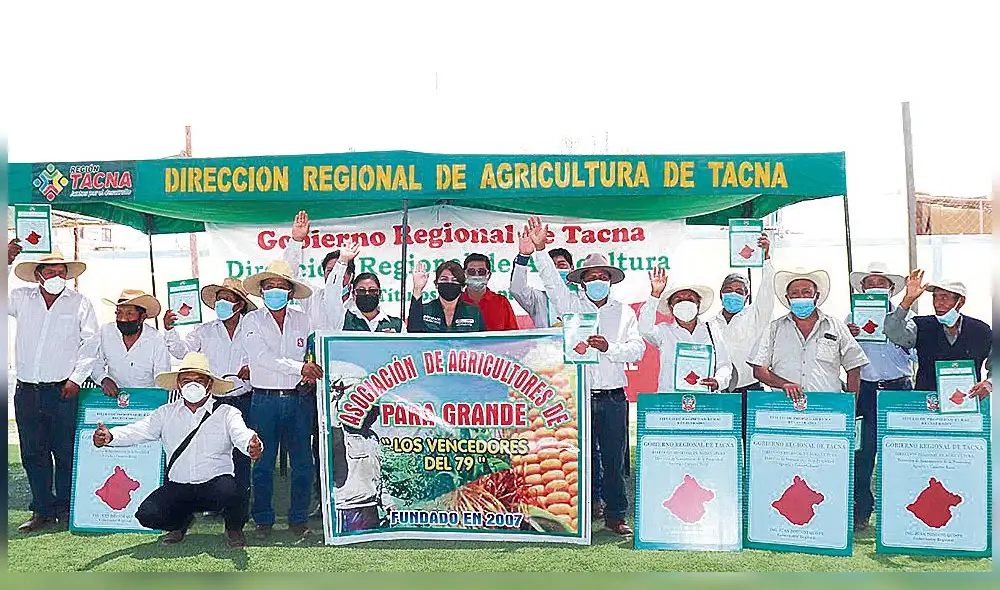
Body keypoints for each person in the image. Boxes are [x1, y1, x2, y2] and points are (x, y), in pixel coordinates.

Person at [525, 216, 644, 536]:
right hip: (578, 395)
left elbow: (638, 350)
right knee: (584, 458)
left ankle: (617, 514)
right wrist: (539, 250)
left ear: (610, 280)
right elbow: (551, 281)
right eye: (591, 277)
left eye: (602, 276)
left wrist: (610, 348)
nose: (597, 281)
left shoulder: (624, 311)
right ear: (581, 281)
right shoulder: (572, 304)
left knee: (615, 458)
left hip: (614, 396)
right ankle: (590, 508)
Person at [92, 352, 263, 548]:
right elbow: (138, 431)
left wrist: (251, 445)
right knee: (147, 514)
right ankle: (180, 523)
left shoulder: (227, 412)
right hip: (179, 485)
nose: (193, 385)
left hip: (216, 485)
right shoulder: (165, 413)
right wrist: (110, 437)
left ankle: (234, 529)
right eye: (186, 380)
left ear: (209, 384)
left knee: (235, 491)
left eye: (199, 380)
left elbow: (241, 434)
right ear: (179, 385)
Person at [8, 248, 99, 533]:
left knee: (64, 451)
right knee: (33, 453)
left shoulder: (80, 303)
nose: (57, 277)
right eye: (50, 272)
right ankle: (42, 509)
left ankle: (66, 508)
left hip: (63, 390)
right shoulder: (20, 298)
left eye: (62, 273)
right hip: (27, 390)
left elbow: (91, 343)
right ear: (38, 276)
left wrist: (76, 379)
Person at [242, 260, 324, 538]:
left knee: (303, 462)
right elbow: (261, 358)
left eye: (281, 286)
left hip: (299, 400)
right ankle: (263, 519)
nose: (275, 291)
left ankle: (298, 518)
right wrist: (300, 368)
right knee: (262, 461)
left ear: (290, 293)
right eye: (269, 286)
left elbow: (314, 351)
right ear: (261, 291)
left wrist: (312, 370)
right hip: (263, 400)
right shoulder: (251, 320)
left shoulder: (304, 319)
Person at [164, 277, 257, 519]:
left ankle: (239, 507)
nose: (222, 304)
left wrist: (253, 367)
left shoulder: (253, 328)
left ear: (240, 304)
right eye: (219, 300)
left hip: (244, 397)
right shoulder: (204, 330)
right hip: (213, 401)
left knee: (242, 454)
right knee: (211, 453)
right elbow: (181, 352)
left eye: (228, 299)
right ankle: (214, 503)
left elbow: (265, 356)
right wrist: (170, 329)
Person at [844, 262, 915, 532]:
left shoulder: (907, 317)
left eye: (881, 283)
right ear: (861, 289)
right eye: (870, 283)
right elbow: (843, 357)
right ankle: (861, 510)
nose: (875, 287)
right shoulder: (850, 318)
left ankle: (904, 510)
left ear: (891, 289)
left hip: (899, 390)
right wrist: (848, 337)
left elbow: (917, 353)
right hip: (866, 391)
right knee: (862, 454)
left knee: (902, 453)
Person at [748, 268, 869, 402]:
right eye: (794, 293)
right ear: (787, 298)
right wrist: (784, 384)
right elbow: (759, 369)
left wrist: (850, 406)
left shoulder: (836, 327)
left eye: (806, 292)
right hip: (783, 407)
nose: (800, 297)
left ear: (816, 296)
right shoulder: (773, 328)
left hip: (828, 407)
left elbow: (854, 367)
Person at [884, 270, 992, 399]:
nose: (938, 303)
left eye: (944, 297)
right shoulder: (921, 325)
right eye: (935, 297)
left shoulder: (981, 331)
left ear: (961, 301)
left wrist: (990, 382)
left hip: (967, 405)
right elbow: (893, 332)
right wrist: (907, 301)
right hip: (926, 404)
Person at [326, 363, 395, 532]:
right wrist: (334, 396)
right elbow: (332, 423)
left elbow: (379, 478)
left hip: (372, 509)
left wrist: (388, 504)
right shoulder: (339, 434)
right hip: (348, 510)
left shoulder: (372, 437)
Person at [639, 268, 733, 393]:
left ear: (698, 304)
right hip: (671, 401)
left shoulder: (712, 330)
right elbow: (644, 328)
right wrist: (655, 295)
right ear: (671, 308)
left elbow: (724, 365)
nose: (684, 303)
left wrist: (718, 381)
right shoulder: (664, 332)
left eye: (690, 299)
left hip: (705, 401)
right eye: (678, 300)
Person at [707, 233, 775, 394]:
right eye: (728, 290)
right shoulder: (710, 324)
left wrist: (766, 258)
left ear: (747, 296)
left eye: (739, 291)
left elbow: (767, 290)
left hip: (751, 387)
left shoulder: (756, 315)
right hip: (719, 389)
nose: (733, 294)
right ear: (721, 294)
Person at [283, 210, 355, 330]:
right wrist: (296, 240)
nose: (334, 276)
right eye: (329, 271)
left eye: (339, 270)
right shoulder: (313, 297)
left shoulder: (359, 303)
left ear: (351, 276)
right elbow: (291, 275)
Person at [92, 289, 171, 395]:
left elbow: (162, 377)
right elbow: (95, 363)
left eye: (129, 314)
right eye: (119, 313)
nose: (123, 319)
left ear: (142, 317)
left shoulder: (156, 340)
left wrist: (153, 401)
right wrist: (104, 379)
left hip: (145, 399)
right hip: (113, 398)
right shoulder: (106, 332)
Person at [324, 242, 404, 333]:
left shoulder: (397, 325)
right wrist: (342, 262)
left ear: (379, 293)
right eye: (361, 290)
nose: (367, 294)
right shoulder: (342, 319)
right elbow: (331, 295)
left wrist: (395, 341)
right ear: (354, 294)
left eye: (372, 290)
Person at [406, 260, 486, 332]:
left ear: (462, 286)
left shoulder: (474, 312)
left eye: (454, 280)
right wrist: (417, 289)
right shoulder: (425, 310)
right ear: (436, 284)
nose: (449, 283)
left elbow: (482, 342)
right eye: (444, 279)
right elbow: (413, 331)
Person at [461, 253, 518, 331]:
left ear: (489, 275)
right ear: (464, 274)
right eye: (471, 271)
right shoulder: (456, 301)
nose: (476, 275)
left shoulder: (502, 302)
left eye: (481, 272)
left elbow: (514, 336)